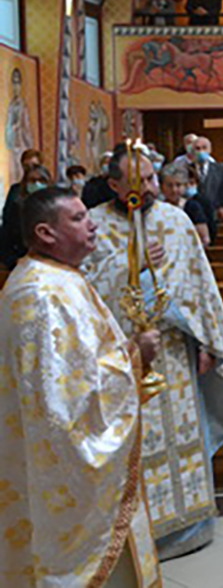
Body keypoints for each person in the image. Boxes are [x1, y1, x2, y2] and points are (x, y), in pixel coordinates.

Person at [82, 143, 223, 560]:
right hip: (124, 359)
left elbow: (200, 284)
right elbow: (85, 296)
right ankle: (141, 532)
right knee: (140, 442)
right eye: (138, 183)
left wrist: (207, 340)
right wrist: (128, 267)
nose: (150, 189)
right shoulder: (94, 227)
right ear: (114, 184)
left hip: (175, 352)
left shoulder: (175, 220)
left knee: (183, 435)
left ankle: (191, 524)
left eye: (153, 179)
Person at [0, 187, 163, 587]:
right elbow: (59, 405)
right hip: (66, 483)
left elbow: (77, 370)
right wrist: (134, 356)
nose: (91, 223)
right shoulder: (39, 294)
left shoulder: (60, 277)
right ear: (46, 233)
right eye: (76, 218)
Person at [0, 164, 51, 269]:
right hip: (21, 262)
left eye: (42, 180)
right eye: (32, 180)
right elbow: (6, 235)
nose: (37, 184)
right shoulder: (16, 209)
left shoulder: (57, 209)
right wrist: (13, 260)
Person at [160, 163, 212, 247]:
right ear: (162, 187)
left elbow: (205, 239)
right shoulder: (158, 208)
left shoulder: (192, 207)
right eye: (169, 185)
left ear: (185, 186)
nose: (174, 190)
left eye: (178, 185)